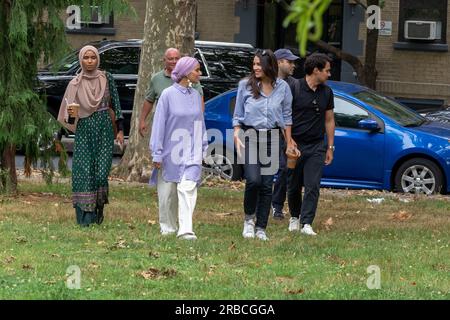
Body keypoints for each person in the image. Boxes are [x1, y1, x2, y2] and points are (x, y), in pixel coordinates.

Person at [57, 45, 124, 227]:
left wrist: (120, 129)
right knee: (85, 173)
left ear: (97, 59)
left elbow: (116, 105)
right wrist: (73, 114)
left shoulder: (106, 78)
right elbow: (68, 117)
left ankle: (99, 208)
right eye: (85, 57)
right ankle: (85, 218)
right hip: (84, 130)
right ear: (81, 60)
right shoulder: (75, 84)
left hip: (104, 130)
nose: (89, 61)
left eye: (92, 57)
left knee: (101, 173)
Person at [233, 49, 294, 241]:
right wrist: (236, 132)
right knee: (253, 180)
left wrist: (289, 142)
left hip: (273, 138)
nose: (255, 67)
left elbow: (287, 116)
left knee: (267, 185)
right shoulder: (245, 85)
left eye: (259, 64)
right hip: (249, 135)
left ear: (270, 66)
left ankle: (261, 227)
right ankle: (249, 221)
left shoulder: (282, 87)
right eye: (254, 64)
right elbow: (238, 114)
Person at [149, 57, 207, 240]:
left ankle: (186, 229)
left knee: (187, 188)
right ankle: (168, 227)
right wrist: (157, 152)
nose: (200, 73)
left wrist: (203, 146)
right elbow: (159, 124)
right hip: (170, 150)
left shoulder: (196, 95)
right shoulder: (167, 95)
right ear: (187, 72)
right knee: (167, 194)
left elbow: (200, 123)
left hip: (192, 150)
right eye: (197, 70)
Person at [287, 53, 335, 236]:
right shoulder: (294, 88)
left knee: (313, 185)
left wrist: (330, 146)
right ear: (316, 70)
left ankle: (307, 223)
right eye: (327, 71)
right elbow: (286, 117)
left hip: (317, 146)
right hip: (296, 146)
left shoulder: (327, 92)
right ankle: (294, 217)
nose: (329, 74)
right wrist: (289, 141)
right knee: (293, 185)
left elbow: (329, 120)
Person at [139, 48, 204, 137]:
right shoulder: (156, 79)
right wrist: (142, 120)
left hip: (186, 126)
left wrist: (199, 124)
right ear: (164, 60)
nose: (174, 61)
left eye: (177, 58)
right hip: (164, 126)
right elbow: (149, 100)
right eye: (170, 59)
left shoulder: (191, 78)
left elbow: (199, 101)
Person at [271, 48, 300, 220]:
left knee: (284, 170)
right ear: (279, 62)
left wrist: (291, 137)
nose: (293, 65)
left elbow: (292, 111)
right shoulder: (267, 81)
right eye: (290, 62)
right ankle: (263, 202)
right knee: (265, 171)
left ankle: (277, 206)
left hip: (287, 134)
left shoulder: (294, 84)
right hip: (269, 132)